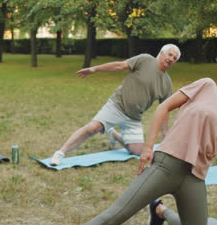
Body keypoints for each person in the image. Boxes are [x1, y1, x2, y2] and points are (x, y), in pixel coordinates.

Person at [39, 72, 217, 225]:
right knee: (116, 215)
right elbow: (164, 107)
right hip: (166, 165)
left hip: (194, 179)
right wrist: (148, 148)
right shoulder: (207, 86)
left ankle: (160, 211)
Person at [49, 44, 181, 166]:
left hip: (134, 117)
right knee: (92, 127)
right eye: (169, 54)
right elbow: (119, 66)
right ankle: (60, 153)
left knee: (138, 150)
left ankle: (114, 135)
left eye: (174, 58)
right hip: (117, 106)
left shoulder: (167, 83)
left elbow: (165, 108)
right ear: (162, 52)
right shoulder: (145, 60)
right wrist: (94, 69)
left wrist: (165, 131)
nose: (171, 59)